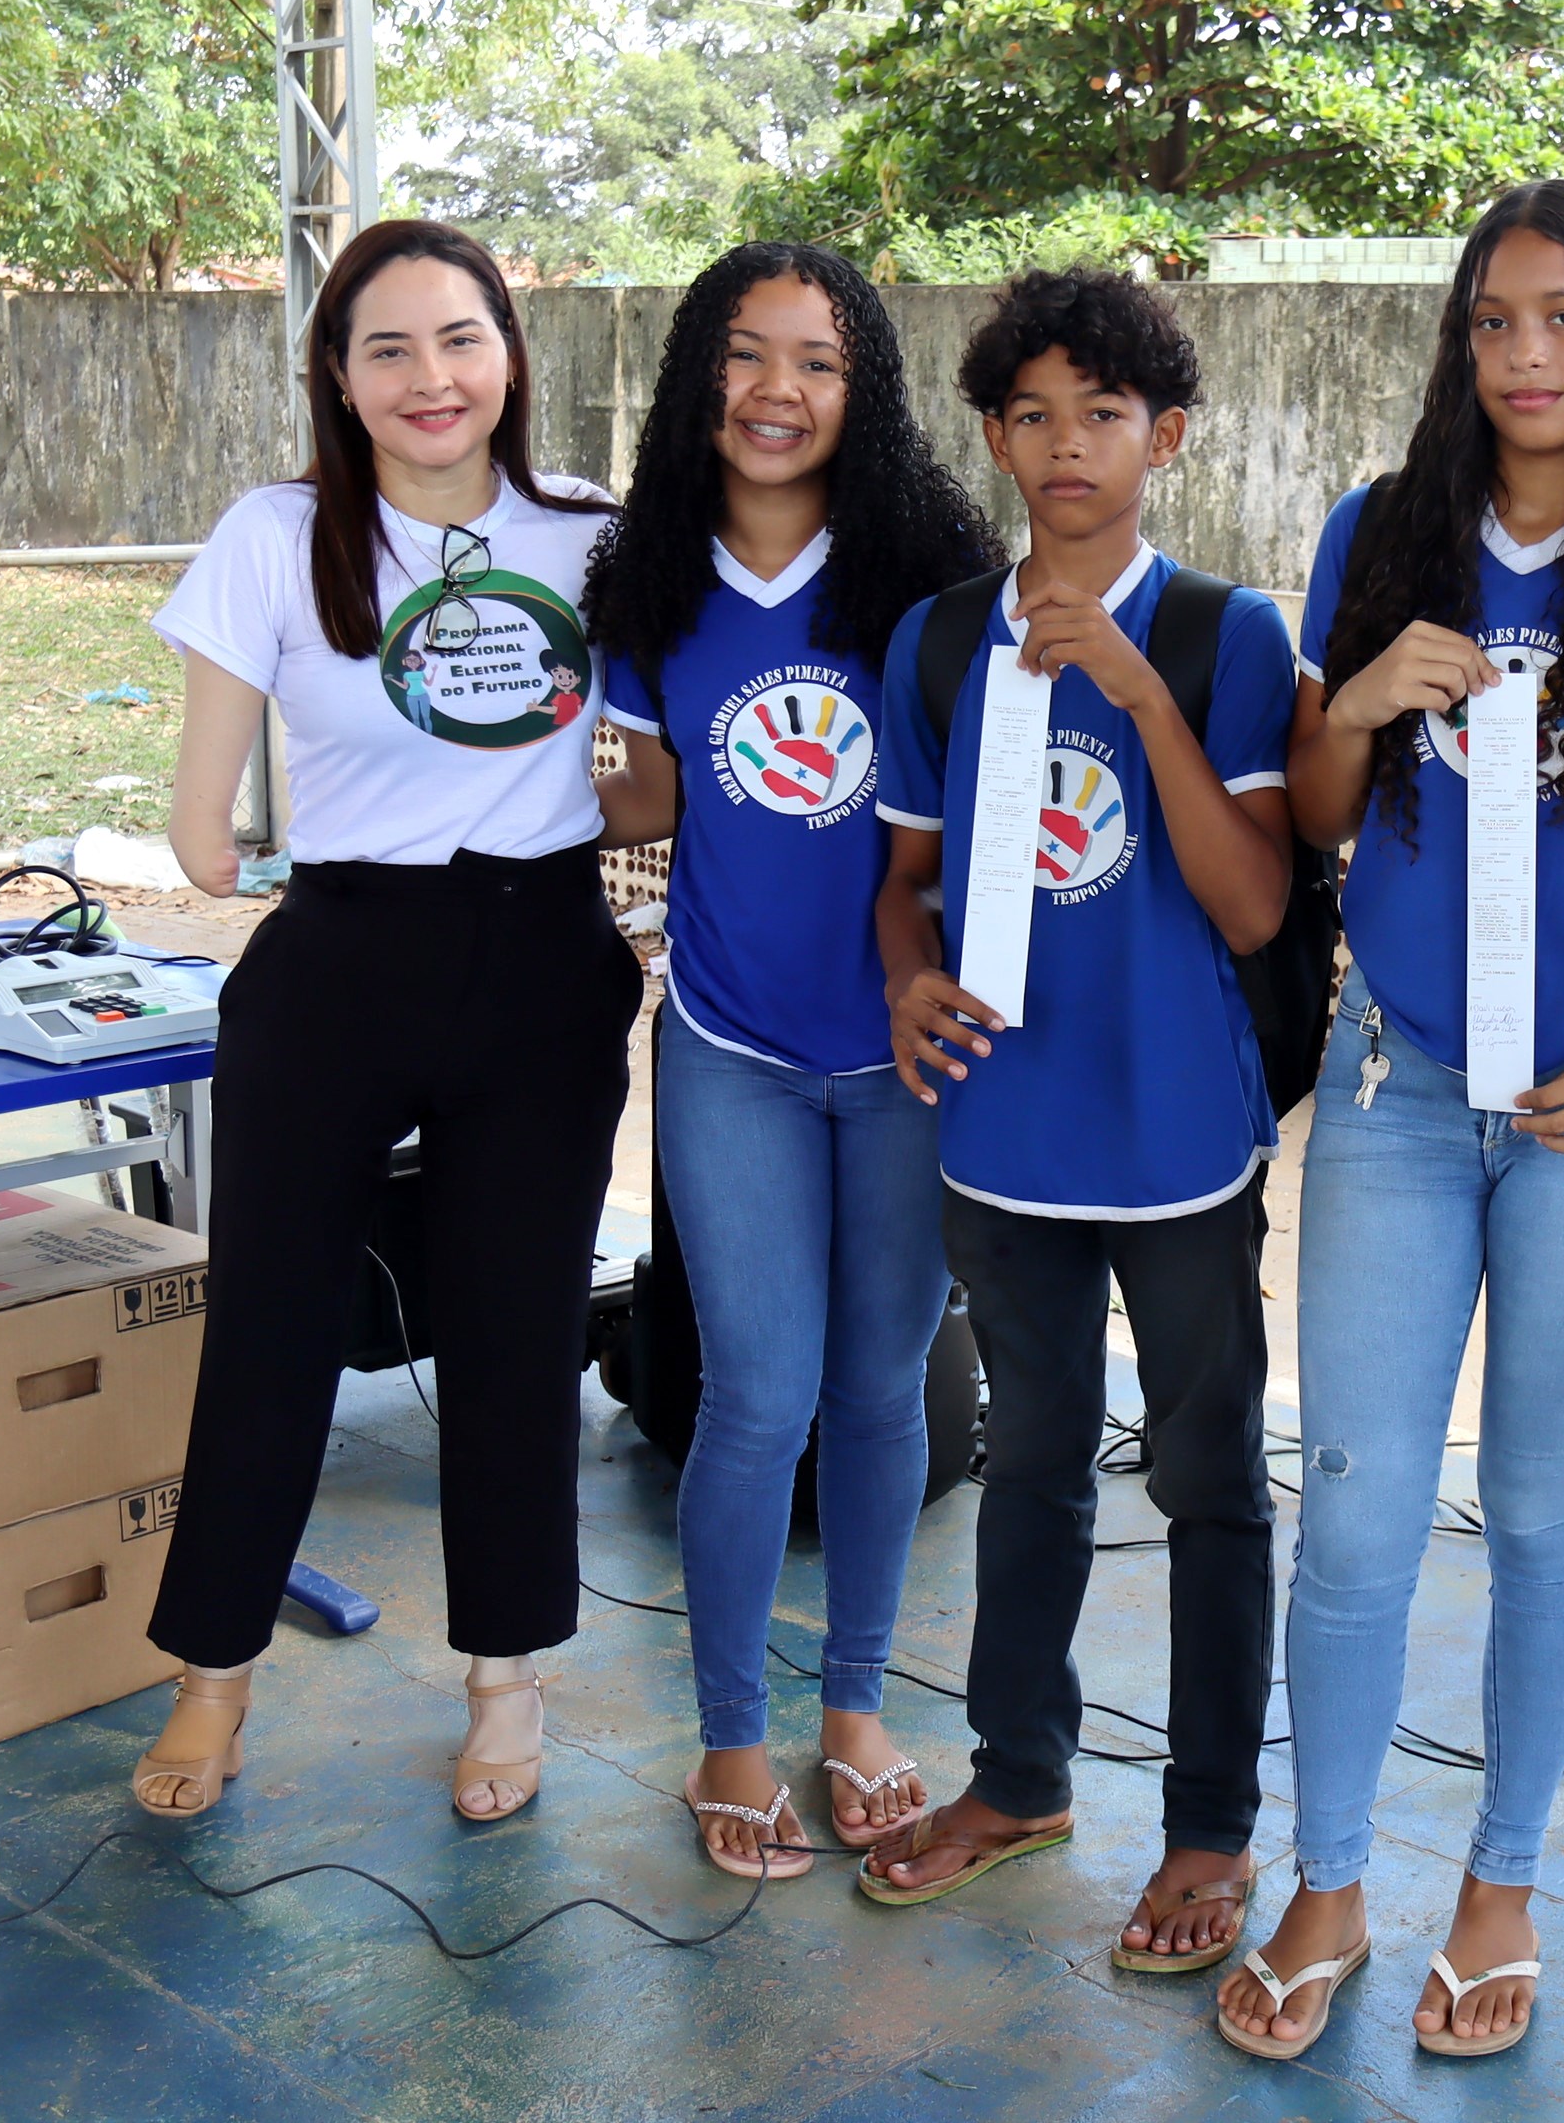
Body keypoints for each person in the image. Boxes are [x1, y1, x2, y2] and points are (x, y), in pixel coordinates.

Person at [1219, 180, 1564, 2064]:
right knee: (1359, 1507)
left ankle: (1505, 1881)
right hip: (1390, 1091)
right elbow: (1308, 816)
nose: (1528, 357)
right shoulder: (1377, 536)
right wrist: (1361, 694)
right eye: (1493, 322)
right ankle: (1329, 1880)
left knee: (1546, 1513)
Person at [133, 218, 645, 1826]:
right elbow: (201, 837)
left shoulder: (596, 540)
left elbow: (653, 770)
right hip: (340, 959)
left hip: (545, 961)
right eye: (388, 349)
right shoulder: (276, 535)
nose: (432, 378)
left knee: (514, 1337)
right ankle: (210, 1686)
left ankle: (507, 1686)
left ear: (511, 354)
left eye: (461, 340)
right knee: (269, 1335)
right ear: (338, 380)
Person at [854, 271, 1301, 1985]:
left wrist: (1141, 697)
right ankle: (1021, 1780)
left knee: (1207, 1479)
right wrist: (908, 984)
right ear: (990, 435)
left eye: (1101, 415)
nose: (1064, 446)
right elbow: (906, 885)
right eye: (1030, 414)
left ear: (1164, 438)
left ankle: (1208, 1827)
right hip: (1000, 1135)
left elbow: (1256, 907)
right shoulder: (941, 640)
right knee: (1030, 1465)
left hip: (1179, 1138)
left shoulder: (1224, 637)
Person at [586, 243, 1001, 1880]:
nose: (777, 392)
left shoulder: (923, 573)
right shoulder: (645, 577)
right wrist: (562, 734)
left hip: (905, 1054)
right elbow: (643, 799)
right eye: (746, 358)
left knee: (881, 1385)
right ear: (701, 380)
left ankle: (855, 1710)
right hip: (733, 1047)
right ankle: (732, 1738)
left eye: (817, 362)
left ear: (864, 390)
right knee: (754, 1397)